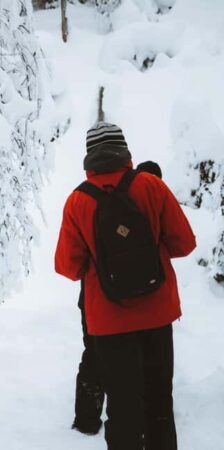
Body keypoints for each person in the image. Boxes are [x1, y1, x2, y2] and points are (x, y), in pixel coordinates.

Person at [55, 123, 196, 450]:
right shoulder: (151, 186)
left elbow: (67, 267)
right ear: (124, 151)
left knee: (122, 406)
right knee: (159, 401)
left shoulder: (77, 201)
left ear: (89, 156)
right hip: (157, 312)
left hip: (108, 321)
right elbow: (185, 243)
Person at [72, 159, 165, 436]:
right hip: (146, 299)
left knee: (94, 353)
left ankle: (87, 419)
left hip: (95, 297)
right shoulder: (151, 203)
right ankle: (141, 416)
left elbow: (69, 263)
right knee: (141, 360)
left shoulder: (92, 198)